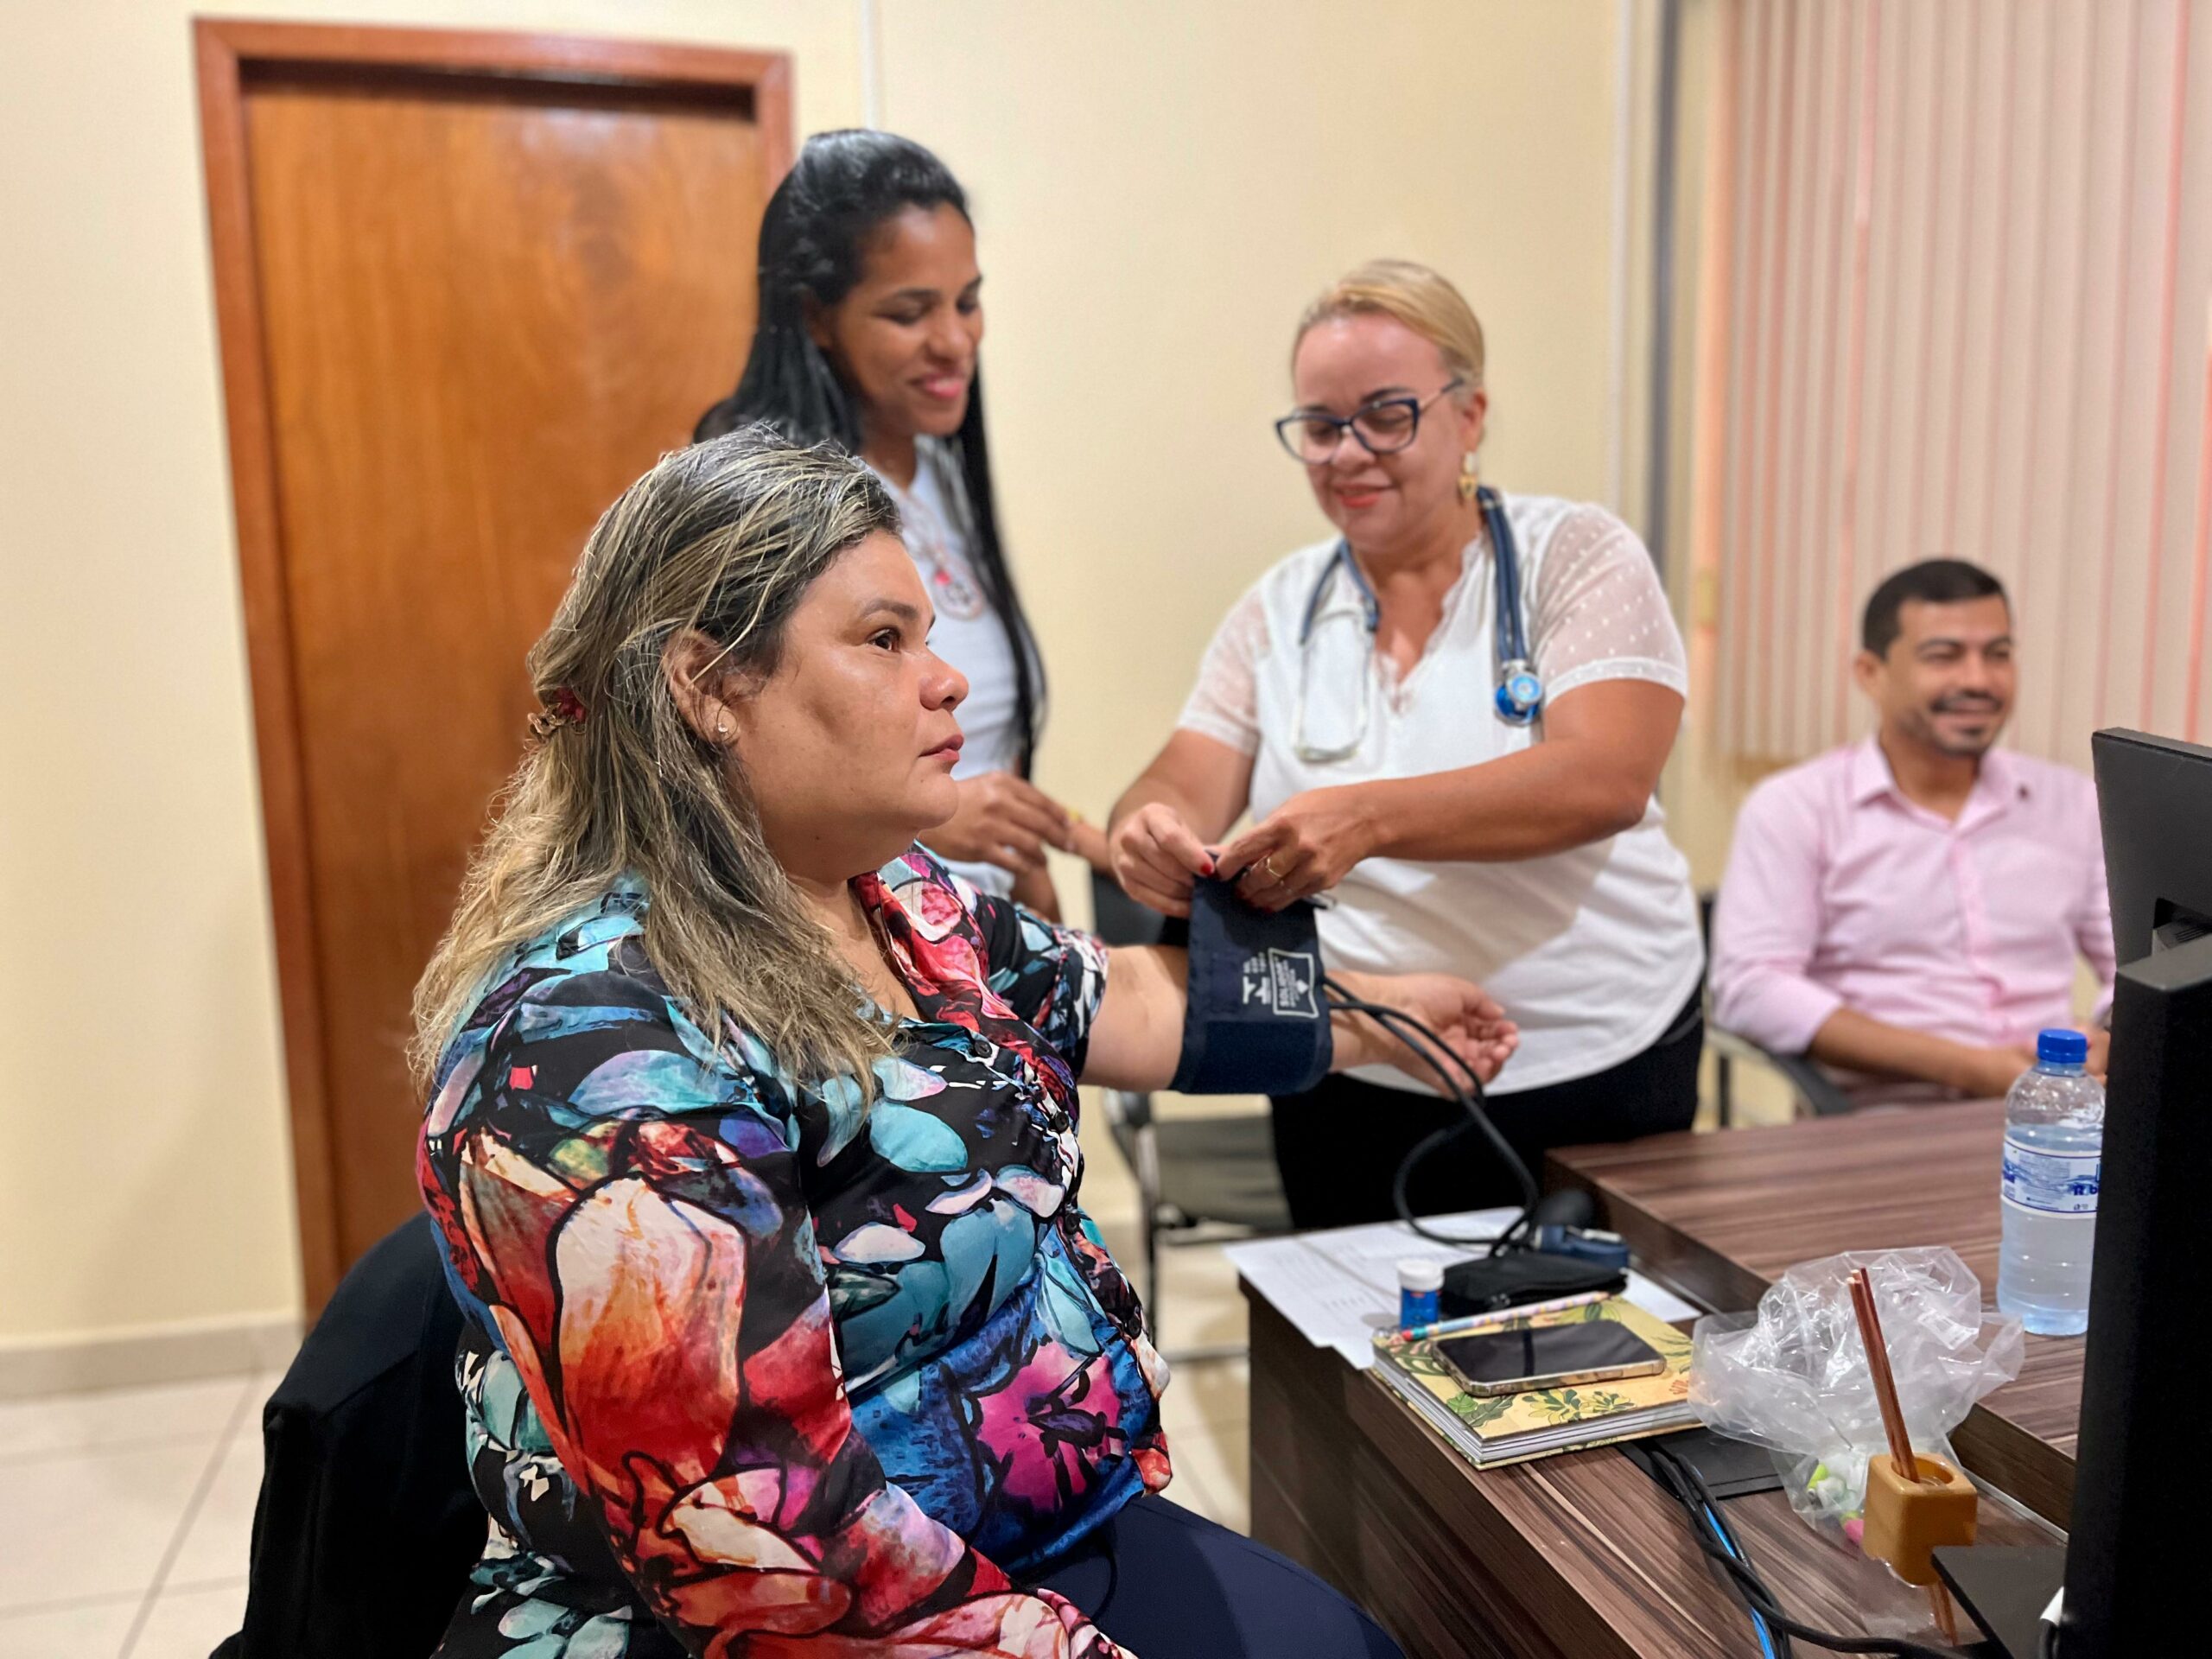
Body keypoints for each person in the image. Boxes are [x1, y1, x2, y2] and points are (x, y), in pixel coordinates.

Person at [410, 427, 1517, 1657]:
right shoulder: (591, 1056)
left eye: (929, 638)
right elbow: (771, 1559)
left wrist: (1383, 1017)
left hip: (1043, 1534)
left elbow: (1112, 997)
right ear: (710, 686)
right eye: (885, 641)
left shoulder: (895, 897)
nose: (947, 682)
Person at [1109, 259, 1703, 1231]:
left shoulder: (1575, 558)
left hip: (1595, 1059)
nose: (1348, 452)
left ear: (1467, 416)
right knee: (1348, 1359)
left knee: (1597, 1365)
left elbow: (1605, 778)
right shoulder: (1279, 609)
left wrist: (1368, 816)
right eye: (1320, 426)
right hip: (1352, 1055)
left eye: (1387, 415)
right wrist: (1146, 829)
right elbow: (1182, 775)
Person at [696, 129, 1103, 914]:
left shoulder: (941, 472)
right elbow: (718, 775)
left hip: (981, 937)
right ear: (817, 318)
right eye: (910, 312)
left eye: (968, 301)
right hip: (851, 944)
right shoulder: (761, 501)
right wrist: (937, 822)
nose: (955, 341)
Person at [1710, 559, 2115, 1105]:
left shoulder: (2073, 803)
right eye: (1943, 656)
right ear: (1870, 673)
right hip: (1882, 1124)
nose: (1978, 680)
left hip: (2057, 1116)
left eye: (1997, 655)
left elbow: (2135, 966)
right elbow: (1751, 989)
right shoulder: (1796, 808)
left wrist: (2111, 1036)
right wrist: (1972, 1068)